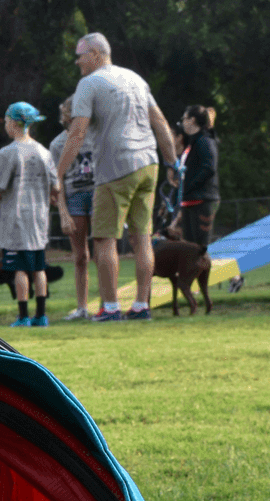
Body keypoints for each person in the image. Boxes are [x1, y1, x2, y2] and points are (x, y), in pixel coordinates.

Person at [53, 31, 177, 321]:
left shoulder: (89, 83)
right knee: (142, 238)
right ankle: (141, 306)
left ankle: (110, 307)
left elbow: (77, 132)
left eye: (79, 56)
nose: (77, 62)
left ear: (95, 54)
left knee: (104, 239)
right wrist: (172, 163)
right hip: (148, 164)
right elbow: (159, 121)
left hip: (115, 167)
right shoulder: (135, 78)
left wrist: (57, 173)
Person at [0, 101, 58, 328]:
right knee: (39, 267)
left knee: (19, 268)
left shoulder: (8, 153)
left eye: (7, 120)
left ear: (13, 123)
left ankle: (23, 316)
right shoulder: (43, 152)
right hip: (39, 219)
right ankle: (42, 315)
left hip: (16, 219)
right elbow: (56, 188)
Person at [48, 97, 95, 321]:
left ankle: (109, 305)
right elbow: (57, 183)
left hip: (98, 194)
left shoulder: (95, 135)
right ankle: (82, 307)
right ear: (66, 116)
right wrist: (63, 214)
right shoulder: (58, 144)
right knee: (80, 256)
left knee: (105, 250)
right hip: (74, 197)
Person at [177, 106, 220, 248]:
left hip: (202, 200)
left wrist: (190, 185)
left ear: (192, 120)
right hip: (190, 200)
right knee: (189, 249)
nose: (182, 122)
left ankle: (205, 270)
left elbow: (209, 168)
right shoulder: (193, 142)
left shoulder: (205, 140)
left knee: (200, 249)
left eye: (184, 118)